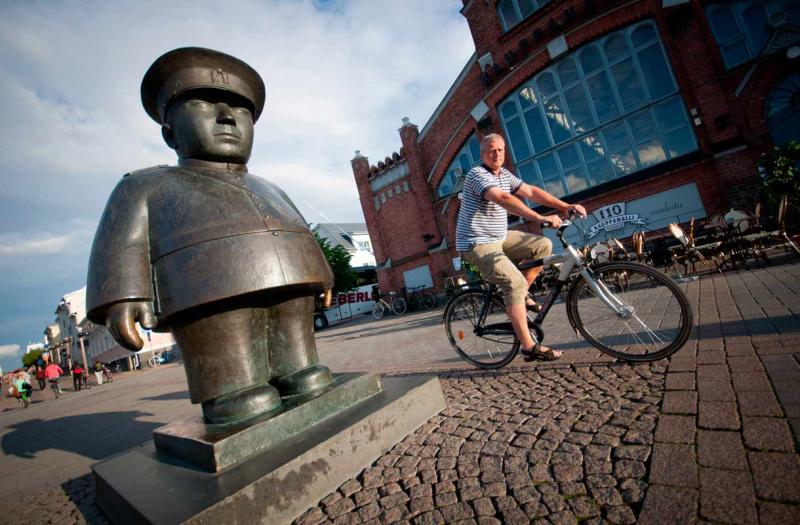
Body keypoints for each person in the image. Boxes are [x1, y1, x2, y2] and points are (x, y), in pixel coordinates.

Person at [86, 47, 335, 424]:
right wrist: (124, 294)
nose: (226, 118)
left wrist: (322, 275)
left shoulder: (270, 187)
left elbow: (301, 228)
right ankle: (229, 388)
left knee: (294, 331)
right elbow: (123, 242)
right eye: (204, 105)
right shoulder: (146, 185)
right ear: (170, 134)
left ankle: (297, 368)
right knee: (227, 340)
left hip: (290, 280)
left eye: (239, 110)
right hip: (205, 291)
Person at [455, 133, 587, 361]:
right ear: (483, 154)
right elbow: (503, 199)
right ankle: (528, 346)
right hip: (476, 242)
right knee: (514, 282)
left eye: (500, 150)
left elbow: (532, 191)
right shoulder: (476, 175)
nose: (496, 154)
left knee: (543, 245)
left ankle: (520, 295)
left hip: (499, 236)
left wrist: (566, 206)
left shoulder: (504, 174)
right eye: (491, 151)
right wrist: (539, 217)